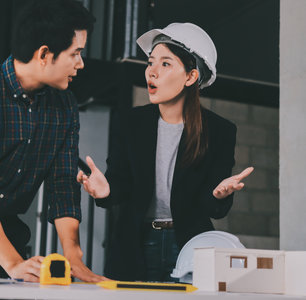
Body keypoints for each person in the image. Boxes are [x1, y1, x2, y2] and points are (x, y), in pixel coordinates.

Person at [0, 0, 105, 283]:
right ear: (44, 53)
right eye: (75, 53)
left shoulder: (65, 104)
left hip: (9, 235)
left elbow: (62, 186)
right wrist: (14, 263)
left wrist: (74, 257)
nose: (80, 63)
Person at [77, 23, 254, 281]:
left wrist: (218, 194)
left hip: (189, 246)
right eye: (151, 63)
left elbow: (213, 209)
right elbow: (121, 185)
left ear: (191, 77)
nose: (152, 72)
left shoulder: (219, 130)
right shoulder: (131, 123)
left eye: (166, 64)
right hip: (136, 244)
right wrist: (105, 191)